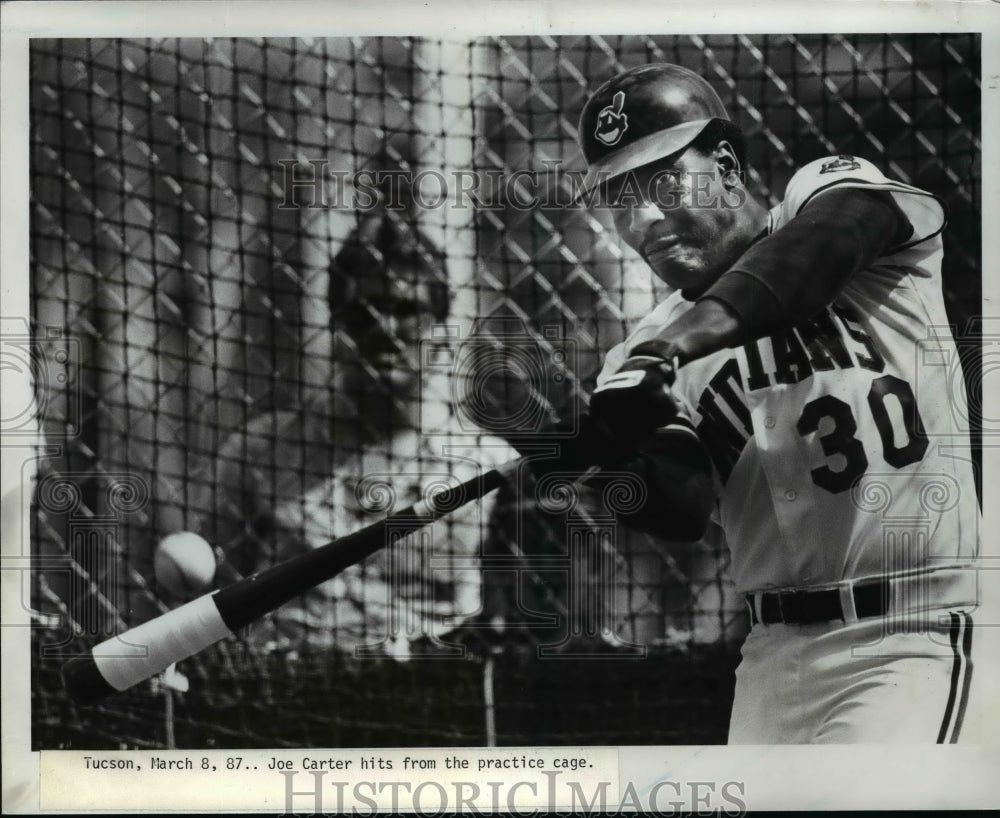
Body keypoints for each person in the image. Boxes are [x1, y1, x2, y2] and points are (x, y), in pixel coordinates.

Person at [558, 62, 983, 743]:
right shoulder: (638, 352)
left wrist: (671, 349)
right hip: (769, 663)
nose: (641, 220)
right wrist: (602, 455)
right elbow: (683, 503)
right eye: (619, 198)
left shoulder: (826, 200)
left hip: (913, 636)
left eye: (663, 183)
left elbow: (827, 245)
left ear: (725, 164)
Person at [202, 213, 515, 658]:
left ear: (443, 334)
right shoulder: (260, 452)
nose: (385, 331)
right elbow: (210, 604)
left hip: (437, 699)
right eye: (363, 314)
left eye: (407, 312)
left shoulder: (487, 466)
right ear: (336, 328)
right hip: (288, 697)